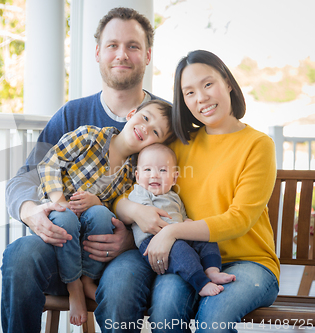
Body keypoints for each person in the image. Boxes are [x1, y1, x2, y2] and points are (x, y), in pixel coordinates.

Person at [2, 7, 171, 332]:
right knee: (20, 258)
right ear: (97, 52)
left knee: (122, 289)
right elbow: (26, 176)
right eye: (112, 45)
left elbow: (177, 197)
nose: (122, 54)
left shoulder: (164, 122)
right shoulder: (72, 115)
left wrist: (130, 239)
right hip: (62, 237)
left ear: (148, 54)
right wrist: (31, 212)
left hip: (125, 252)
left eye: (133, 46)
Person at [115, 50, 280, 332]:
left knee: (212, 322)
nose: (200, 98)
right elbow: (129, 192)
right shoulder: (178, 146)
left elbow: (239, 219)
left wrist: (172, 231)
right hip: (188, 257)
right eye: (189, 92)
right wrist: (133, 210)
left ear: (227, 82)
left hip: (250, 262)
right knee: (166, 308)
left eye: (207, 84)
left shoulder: (258, 145)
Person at [37, 100, 172, 325]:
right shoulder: (90, 137)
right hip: (59, 213)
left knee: (101, 215)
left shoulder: (132, 173)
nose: (146, 128)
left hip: (88, 226)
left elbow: (115, 209)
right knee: (66, 218)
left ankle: (88, 279)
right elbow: (49, 162)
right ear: (131, 114)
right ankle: (74, 287)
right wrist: (60, 202)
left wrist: (97, 201)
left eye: (155, 131)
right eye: (145, 118)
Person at [128, 143, 235, 298]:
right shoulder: (139, 193)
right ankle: (202, 283)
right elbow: (148, 216)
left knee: (206, 237)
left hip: (176, 234)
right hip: (153, 241)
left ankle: (212, 270)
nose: (154, 175)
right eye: (147, 170)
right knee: (181, 251)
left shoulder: (174, 196)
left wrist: (188, 223)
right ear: (137, 176)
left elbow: (181, 216)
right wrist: (175, 231)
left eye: (162, 170)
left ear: (174, 177)